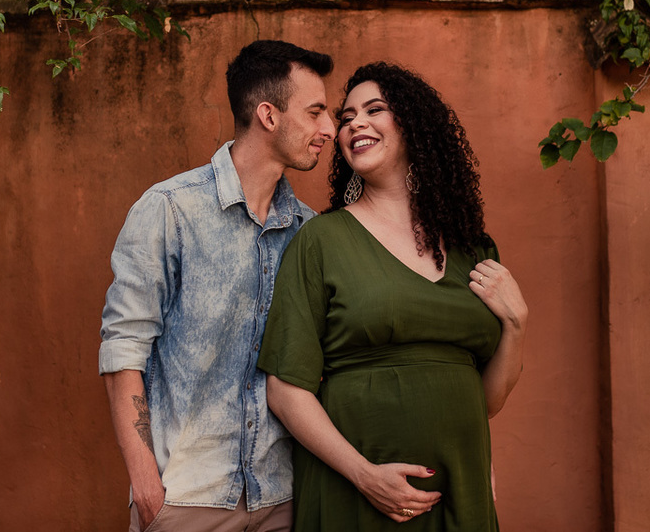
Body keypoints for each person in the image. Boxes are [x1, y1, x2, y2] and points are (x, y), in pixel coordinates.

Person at [257, 61, 528, 531]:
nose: (354, 123)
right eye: (346, 117)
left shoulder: (473, 248)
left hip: (457, 488)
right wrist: (365, 476)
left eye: (374, 110)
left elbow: (484, 399)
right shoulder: (321, 240)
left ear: (415, 127)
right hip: (354, 489)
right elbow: (285, 389)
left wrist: (517, 324)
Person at [99, 40, 336, 532]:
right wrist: (147, 486)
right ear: (268, 115)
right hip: (187, 498)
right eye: (315, 112)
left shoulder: (309, 232)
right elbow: (124, 348)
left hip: (282, 496)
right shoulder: (169, 210)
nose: (328, 130)